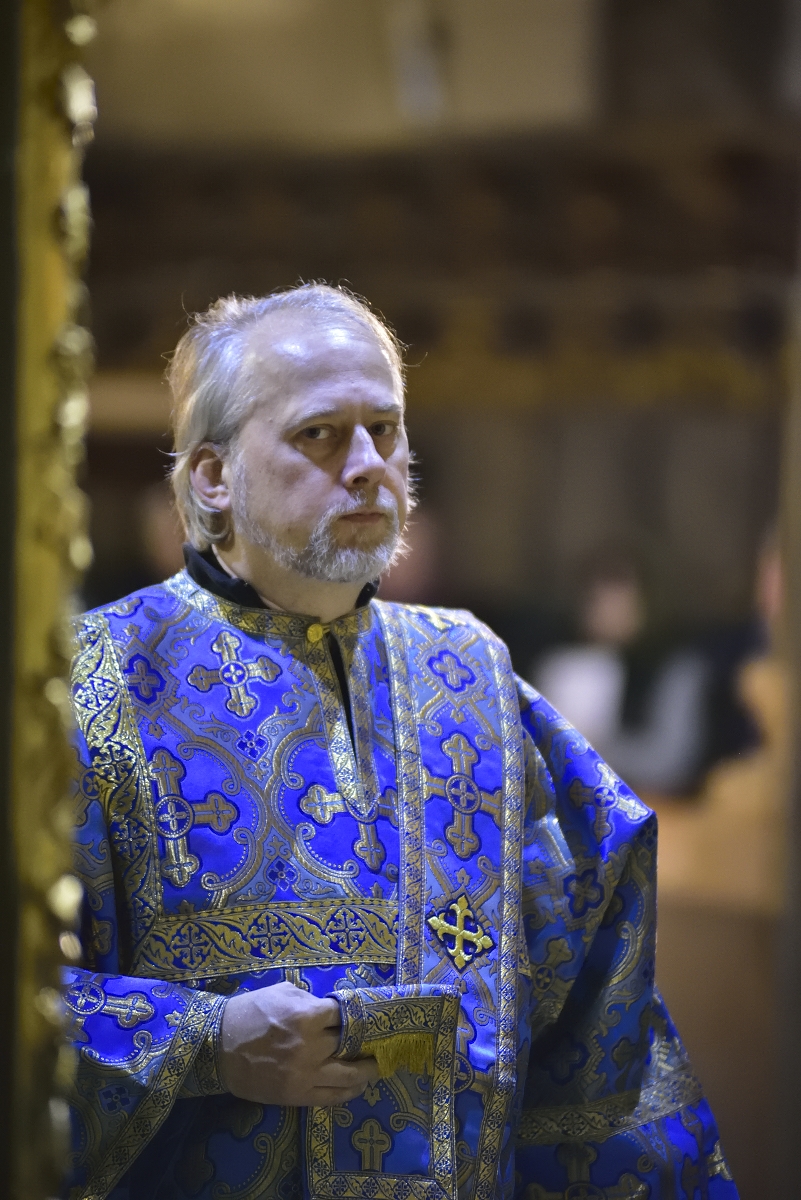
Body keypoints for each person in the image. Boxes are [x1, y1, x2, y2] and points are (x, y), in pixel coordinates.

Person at [65, 285, 737, 1200]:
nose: (367, 465)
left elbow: (598, 1032)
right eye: (318, 434)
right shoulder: (90, 682)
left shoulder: (471, 672)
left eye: (384, 430)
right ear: (213, 476)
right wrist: (202, 1043)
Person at [533, 557, 709, 795]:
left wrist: (592, 748)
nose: (608, 615)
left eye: (620, 603)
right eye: (598, 602)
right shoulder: (561, 663)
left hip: (654, 803)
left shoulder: (676, 666)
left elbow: (672, 761)